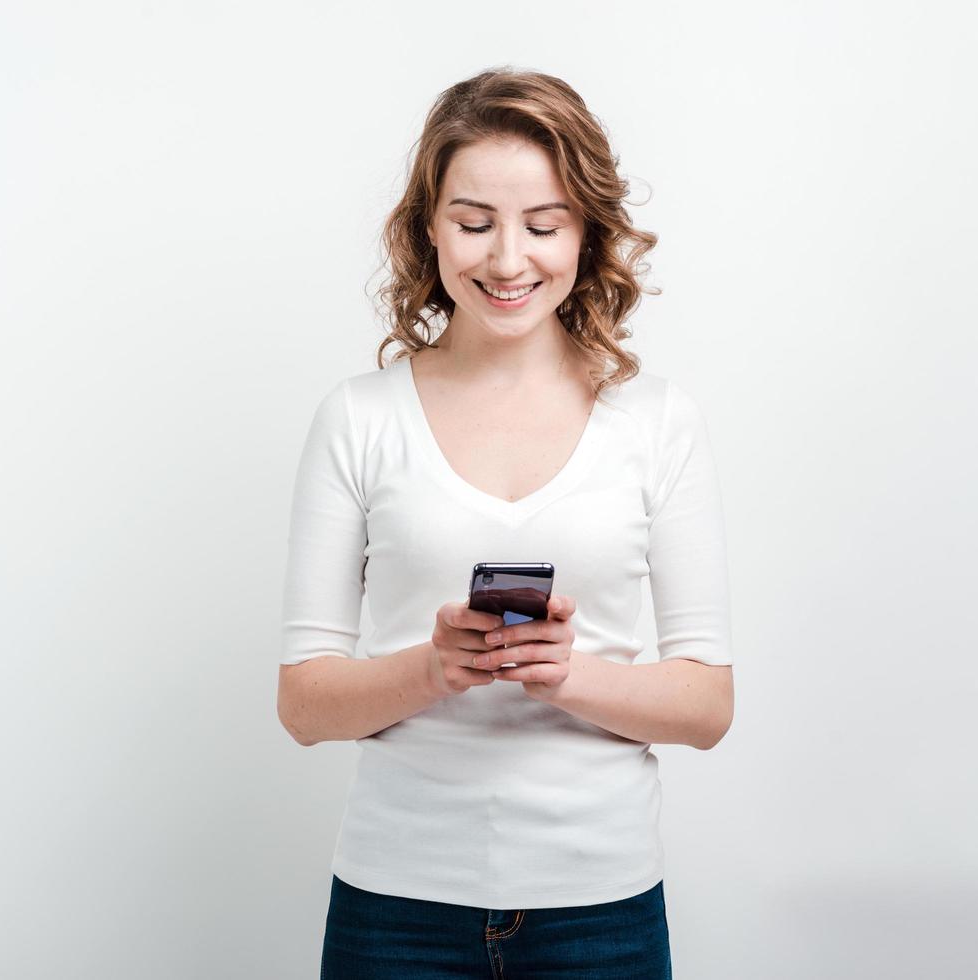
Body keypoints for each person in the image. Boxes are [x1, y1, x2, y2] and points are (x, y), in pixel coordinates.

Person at [276, 67, 734, 979]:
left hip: (600, 908)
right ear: (428, 228)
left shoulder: (656, 421)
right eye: (474, 222)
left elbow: (706, 705)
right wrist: (434, 668)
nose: (507, 259)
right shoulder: (359, 418)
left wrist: (566, 676)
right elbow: (303, 703)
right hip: (394, 908)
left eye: (543, 224)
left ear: (586, 231)